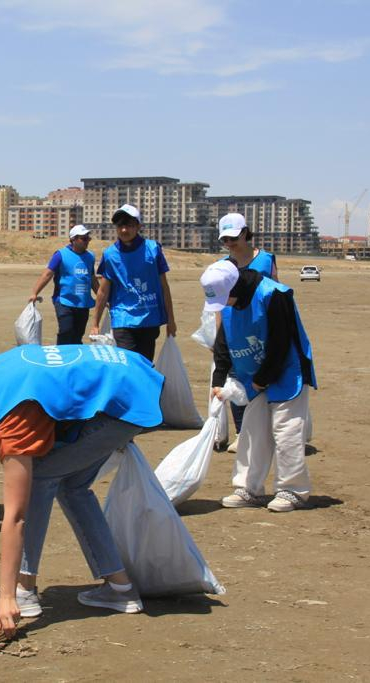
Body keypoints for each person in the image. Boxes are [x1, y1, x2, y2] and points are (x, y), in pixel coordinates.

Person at [0, 344, 165, 636]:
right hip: (135, 377)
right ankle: (120, 588)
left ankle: (23, 590)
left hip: (129, 398)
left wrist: (6, 597)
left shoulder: (13, 417)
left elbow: (15, 517)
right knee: (72, 486)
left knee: (38, 477)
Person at [200, 259, 316, 513]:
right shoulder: (229, 303)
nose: (224, 305)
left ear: (234, 287)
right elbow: (223, 343)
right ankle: (248, 488)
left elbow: (281, 341)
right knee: (252, 431)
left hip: (287, 372)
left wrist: (263, 378)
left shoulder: (273, 294)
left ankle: (292, 489)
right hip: (255, 375)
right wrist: (219, 381)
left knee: (286, 431)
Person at [217, 212, 278, 453]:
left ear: (245, 233)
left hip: (262, 330)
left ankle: (267, 430)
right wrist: (219, 334)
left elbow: (277, 293)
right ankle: (241, 432)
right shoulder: (224, 266)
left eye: (233, 238)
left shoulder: (265, 260)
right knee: (236, 380)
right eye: (225, 239)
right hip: (235, 330)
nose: (229, 243)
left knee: (266, 378)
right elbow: (219, 304)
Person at [90, 204, 176, 361]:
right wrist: (95, 323)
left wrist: (171, 320)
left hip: (149, 318)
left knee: (145, 363)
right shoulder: (110, 255)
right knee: (128, 362)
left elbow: (164, 287)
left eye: (129, 225)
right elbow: (103, 291)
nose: (124, 230)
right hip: (123, 318)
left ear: (138, 226)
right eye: (120, 226)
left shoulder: (153, 250)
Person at [27, 225, 98, 344]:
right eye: (84, 238)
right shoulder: (60, 255)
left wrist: (102, 297)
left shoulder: (90, 257)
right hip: (64, 300)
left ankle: (74, 354)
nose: (87, 241)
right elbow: (47, 274)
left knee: (78, 335)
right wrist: (34, 293)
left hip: (83, 302)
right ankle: (61, 353)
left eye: (88, 238)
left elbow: (92, 279)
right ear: (73, 239)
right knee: (66, 331)